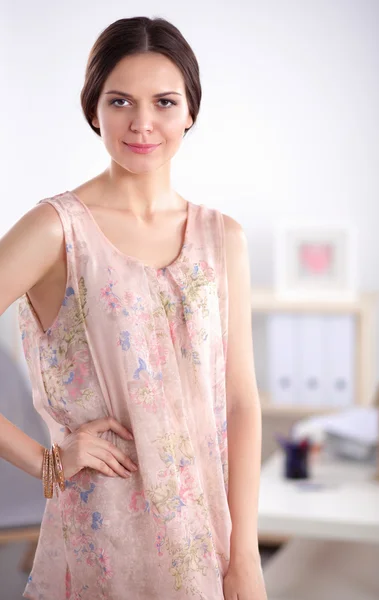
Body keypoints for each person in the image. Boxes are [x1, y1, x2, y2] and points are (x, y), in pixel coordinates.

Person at [0, 16, 267, 600]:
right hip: (101, 544)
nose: (142, 123)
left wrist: (245, 555)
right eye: (120, 101)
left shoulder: (223, 239)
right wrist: (45, 461)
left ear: (190, 112)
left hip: (206, 542)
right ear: (93, 108)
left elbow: (242, 403)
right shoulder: (56, 231)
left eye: (164, 102)